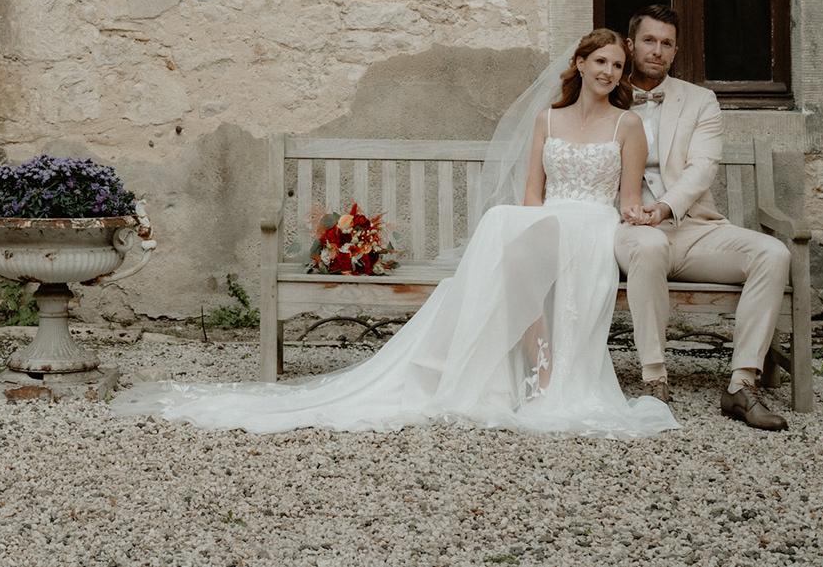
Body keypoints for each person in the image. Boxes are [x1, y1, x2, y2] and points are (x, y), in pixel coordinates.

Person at [111, 30, 678, 438]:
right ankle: (534, 376)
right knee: (509, 226)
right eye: (599, 61)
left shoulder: (627, 124)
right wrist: (538, 227)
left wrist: (651, 216)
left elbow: (627, 199)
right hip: (546, 220)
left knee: (512, 238)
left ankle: (544, 381)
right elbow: (533, 190)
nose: (608, 72)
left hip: (592, 225)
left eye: (616, 66)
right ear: (579, 63)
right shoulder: (547, 119)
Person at [614, 4, 793, 431]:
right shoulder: (607, 92)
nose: (657, 50)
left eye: (667, 43)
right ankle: (654, 379)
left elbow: (702, 168)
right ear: (631, 44)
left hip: (691, 228)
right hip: (629, 229)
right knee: (649, 246)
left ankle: (741, 384)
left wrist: (664, 208)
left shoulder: (700, 101)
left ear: (676, 51)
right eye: (649, 40)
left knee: (773, 254)